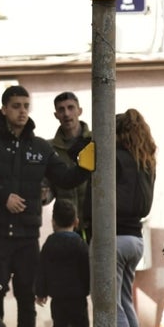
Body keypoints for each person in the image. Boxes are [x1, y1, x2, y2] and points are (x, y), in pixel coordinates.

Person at [0, 85, 90, 327]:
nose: (22, 111)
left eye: (26, 105)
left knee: (27, 294)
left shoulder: (40, 147)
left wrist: (86, 163)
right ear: (4, 110)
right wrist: (3, 197)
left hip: (26, 235)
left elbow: (65, 178)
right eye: (16, 106)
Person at [85, 109, 156, 327]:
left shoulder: (113, 157)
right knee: (125, 300)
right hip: (136, 238)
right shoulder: (146, 161)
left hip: (112, 237)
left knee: (110, 302)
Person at [34, 199, 91, 327]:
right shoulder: (80, 244)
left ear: (53, 222)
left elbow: (42, 268)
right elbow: (86, 269)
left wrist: (41, 292)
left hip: (57, 296)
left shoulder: (49, 243)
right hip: (77, 295)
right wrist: (87, 289)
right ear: (76, 222)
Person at [48, 91, 93, 234]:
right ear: (55, 115)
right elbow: (47, 187)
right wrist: (44, 195)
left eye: (71, 108)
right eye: (61, 109)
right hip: (65, 223)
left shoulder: (95, 141)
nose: (66, 114)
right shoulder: (50, 148)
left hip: (95, 220)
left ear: (80, 111)